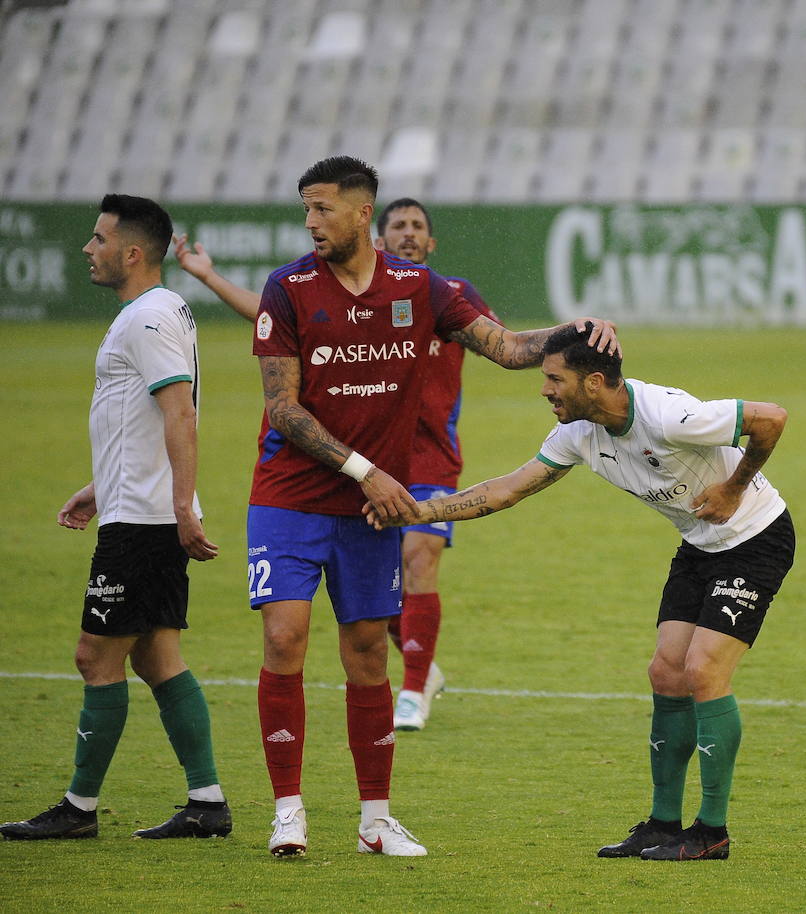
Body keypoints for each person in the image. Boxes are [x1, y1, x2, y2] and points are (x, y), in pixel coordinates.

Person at [247, 155, 617, 859]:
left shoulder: (422, 289)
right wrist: (366, 471)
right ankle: (288, 811)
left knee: (364, 652)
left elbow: (508, 348)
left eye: (322, 209)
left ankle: (375, 821)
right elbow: (282, 408)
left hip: (372, 507)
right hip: (290, 494)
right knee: (284, 638)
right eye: (306, 209)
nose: (310, 222)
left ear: (361, 214)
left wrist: (578, 328)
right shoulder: (287, 288)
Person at [365, 324, 794, 861]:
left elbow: (771, 418)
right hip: (700, 544)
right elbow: (506, 489)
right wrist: (421, 511)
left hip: (757, 539)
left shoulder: (667, 416)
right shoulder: (577, 433)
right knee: (666, 671)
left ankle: (712, 832)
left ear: (594, 382)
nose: (544, 389)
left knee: (704, 670)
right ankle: (663, 824)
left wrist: (734, 488)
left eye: (553, 378)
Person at [174, 197, 499, 732]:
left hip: (429, 458)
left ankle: (414, 689)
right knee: (377, 595)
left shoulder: (447, 295)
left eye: (420, 226)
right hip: (361, 458)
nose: (410, 233)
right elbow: (271, 316)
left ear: (432, 242)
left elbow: (502, 343)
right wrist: (209, 276)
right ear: (379, 235)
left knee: (419, 558)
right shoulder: (347, 294)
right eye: (400, 225)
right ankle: (421, 665)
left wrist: (566, 347)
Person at [1, 194, 231, 841]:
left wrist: (181, 506)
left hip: (145, 525)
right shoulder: (157, 312)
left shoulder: (148, 318)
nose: (87, 248)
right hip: (141, 511)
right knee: (158, 657)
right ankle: (207, 803)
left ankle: (78, 810)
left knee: (93, 657)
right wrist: (101, 485)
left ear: (132, 252)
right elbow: (139, 422)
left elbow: (179, 412)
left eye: (99, 239)